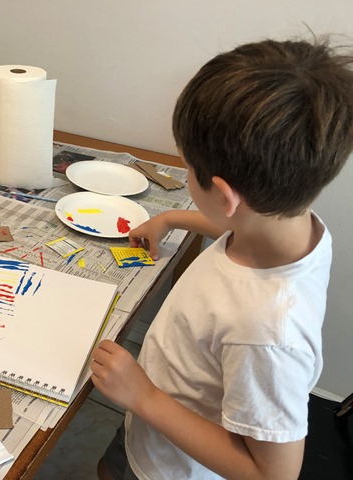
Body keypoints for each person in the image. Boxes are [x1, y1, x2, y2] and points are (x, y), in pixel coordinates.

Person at [91, 38, 353, 480]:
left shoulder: (267, 334)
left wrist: (143, 397)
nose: (184, 174)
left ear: (227, 196)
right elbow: (240, 228)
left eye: (187, 169)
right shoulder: (293, 223)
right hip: (155, 416)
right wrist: (173, 217)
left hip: (170, 464)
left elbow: (274, 475)